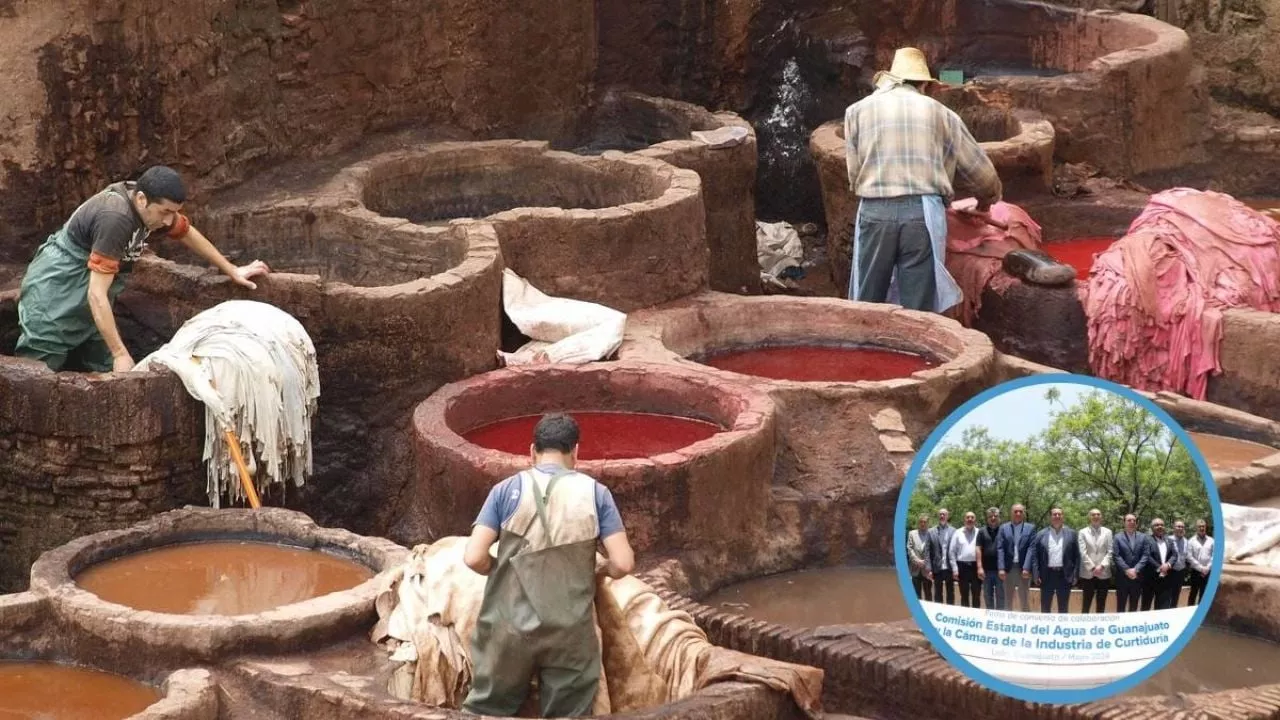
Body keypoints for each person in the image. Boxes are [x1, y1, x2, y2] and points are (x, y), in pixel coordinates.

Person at [461, 413, 635, 717]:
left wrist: (501, 569)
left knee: (487, 712)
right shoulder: (596, 494)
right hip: (570, 634)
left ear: (532, 452)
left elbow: (473, 556)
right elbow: (623, 563)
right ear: (576, 453)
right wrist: (600, 571)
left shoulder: (505, 490)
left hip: (507, 629)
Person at [15, 166, 270, 372]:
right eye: (165, 212)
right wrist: (120, 353)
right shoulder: (116, 218)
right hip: (57, 287)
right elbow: (96, 294)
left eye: (174, 212)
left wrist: (232, 270)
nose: (169, 221)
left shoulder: (147, 204)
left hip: (90, 294)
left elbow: (186, 232)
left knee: (106, 367)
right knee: (39, 369)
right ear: (141, 199)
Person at [842, 47, 1002, 313]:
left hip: (874, 210)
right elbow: (981, 174)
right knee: (918, 310)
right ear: (926, 84)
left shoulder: (856, 111)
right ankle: (913, 353)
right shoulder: (942, 114)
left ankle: (863, 348)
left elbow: (854, 174)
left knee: (867, 303)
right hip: (922, 214)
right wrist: (986, 203)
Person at [1028, 508, 1079, 614]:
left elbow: (1077, 556)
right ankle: (1046, 629)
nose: (1057, 516)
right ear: (1050, 517)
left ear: (1063, 516)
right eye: (1054, 514)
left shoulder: (1072, 534)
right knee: (1045, 607)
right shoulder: (1041, 534)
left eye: (1059, 514)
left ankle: (1062, 629)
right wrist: (1036, 575)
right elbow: (1035, 556)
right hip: (1046, 575)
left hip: (1065, 576)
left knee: (1063, 608)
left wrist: (1075, 575)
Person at [997, 503, 1035, 612]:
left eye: (1020, 511)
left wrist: (1027, 567)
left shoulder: (1030, 528)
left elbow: (1031, 548)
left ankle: (1025, 623)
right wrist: (1001, 568)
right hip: (1008, 569)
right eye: (1015, 511)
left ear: (1024, 513)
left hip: (1023, 568)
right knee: (1007, 600)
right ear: (1011, 513)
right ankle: (1007, 624)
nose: (1018, 513)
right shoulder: (1004, 528)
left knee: (1024, 599)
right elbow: (1000, 549)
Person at [1077, 508, 1113, 613]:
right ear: (1089, 517)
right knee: (1086, 604)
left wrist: (1102, 566)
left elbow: (1110, 551)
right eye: (1093, 515)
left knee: (1101, 604)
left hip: (1104, 572)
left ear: (1101, 517)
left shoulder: (1108, 532)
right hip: (1088, 573)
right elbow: (1082, 552)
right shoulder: (1082, 532)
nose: (1096, 516)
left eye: (1098, 514)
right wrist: (1093, 568)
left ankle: (1099, 627)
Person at [1140, 518, 1179, 611]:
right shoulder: (1146, 539)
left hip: (1166, 580)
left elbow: (1174, 555)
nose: (1160, 527)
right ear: (1152, 527)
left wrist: (1168, 565)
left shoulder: (1169, 540)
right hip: (1150, 579)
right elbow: (1147, 556)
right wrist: (1160, 568)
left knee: (1163, 608)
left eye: (1161, 525)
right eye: (1156, 525)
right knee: (1146, 606)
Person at [1113, 514, 1148, 612]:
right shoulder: (1117, 537)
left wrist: (1136, 569)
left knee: (1134, 607)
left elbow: (1145, 555)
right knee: (1120, 607)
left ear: (1136, 523)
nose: (1132, 522)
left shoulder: (1143, 537)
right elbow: (1116, 555)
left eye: (1134, 520)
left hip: (1137, 578)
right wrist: (1127, 570)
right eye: (1129, 520)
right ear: (1124, 522)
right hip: (1122, 578)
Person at [949, 511, 983, 608]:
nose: (970, 519)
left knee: (976, 594)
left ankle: (976, 617)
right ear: (964, 519)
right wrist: (955, 569)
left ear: (975, 520)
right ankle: (966, 617)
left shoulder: (980, 532)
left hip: (976, 567)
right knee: (964, 595)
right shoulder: (957, 532)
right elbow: (951, 552)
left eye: (972, 517)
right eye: (968, 517)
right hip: (962, 567)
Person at [925, 508, 957, 605]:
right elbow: (927, 551)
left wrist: (956, 568)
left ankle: (950, 614)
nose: (942, 516)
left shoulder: (954, 531)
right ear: (938, 516)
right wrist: (929, 569)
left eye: (944, 514)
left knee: (950, 593)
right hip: (937, 568)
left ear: (947, 516)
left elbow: (956, 550)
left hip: (949, 568)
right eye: (940, 514)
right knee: (938, 593)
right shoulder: (931, 531)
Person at [977, 507, 1004, 609]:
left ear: (999, 517)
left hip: (1000, 570)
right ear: (987, 518)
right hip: (986, 571)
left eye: (995, 516)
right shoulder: (981, 531)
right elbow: (978, 549)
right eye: (990, 516)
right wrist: (979, 567)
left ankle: (1000, 619)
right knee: (988, 596)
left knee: (1001, 596)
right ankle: (990, 619)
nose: (993, 518)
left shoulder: (1004, 530)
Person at [1185, 519, 1214, 605]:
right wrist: (1201, 568)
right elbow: (1189, 557)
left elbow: (1214, 555)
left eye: (1203, 526)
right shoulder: (1191, 541)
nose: (1202, 528)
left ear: (1206, 527)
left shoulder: (1212, 541)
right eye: (1199, 526)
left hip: (1208, 571)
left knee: (1204, 593)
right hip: (1196, 572)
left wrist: (1208, 567)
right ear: (1196, 528)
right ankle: (1189, 610)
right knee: (1193, 593)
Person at [907, 513, 934, 601]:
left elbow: (933, 550)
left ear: (928, 523)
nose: (923, 524)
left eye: (925, 522)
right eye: (921, 522)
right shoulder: (912, 533)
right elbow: (909, 548)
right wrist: (917, 560)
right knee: (916, 595)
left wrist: (925, 562)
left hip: (927, 569)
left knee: (928, 594)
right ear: (919, 523)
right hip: (915, 568)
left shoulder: (932, 533)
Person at [1170, 520, 1189, 606]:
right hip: (1170, 571)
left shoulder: (1186, 541)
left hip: (1181, 571)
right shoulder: (1168, 540)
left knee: (1176, 595)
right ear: (1173, 528)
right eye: (1178, 526)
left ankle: (1173, 609)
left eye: (1182, 527)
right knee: (1167, 595)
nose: (1180, 528)